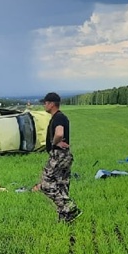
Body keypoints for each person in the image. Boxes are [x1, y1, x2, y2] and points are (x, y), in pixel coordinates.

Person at [33, 92, 80, 222]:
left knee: (46, 184)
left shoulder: (58, 117)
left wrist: (54, 142)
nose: (44, 105)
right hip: (65, 155)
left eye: (46, 103)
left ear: (52, 104)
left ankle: (69, 208)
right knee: (61, 185)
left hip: (58, 155)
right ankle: (65, 217)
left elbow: (59, 133)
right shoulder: (60, 117)